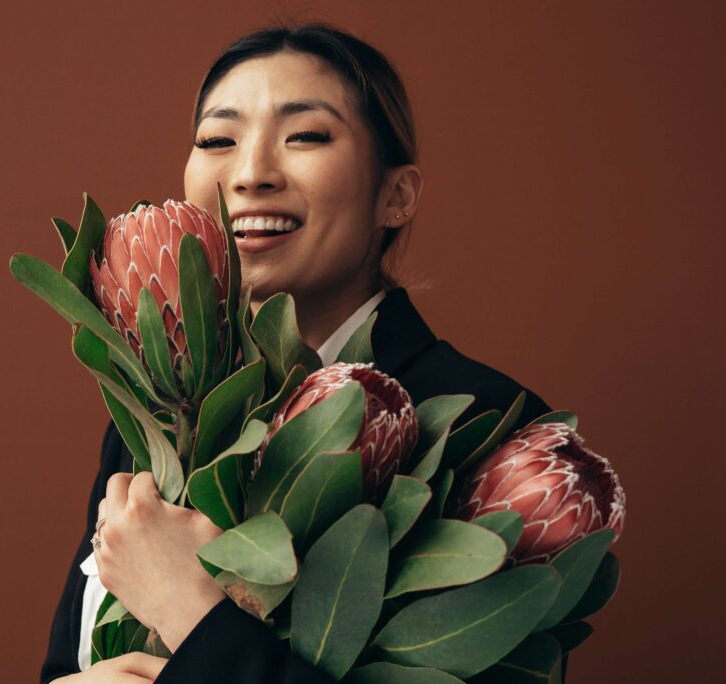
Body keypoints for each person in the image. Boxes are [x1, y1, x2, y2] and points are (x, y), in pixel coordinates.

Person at [41, 23, 562, 683]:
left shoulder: (490, 432)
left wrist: (194, 616)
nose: (251, 173)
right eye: (217, 140)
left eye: (306, 136)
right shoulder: (149, 417)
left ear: (396, 195)